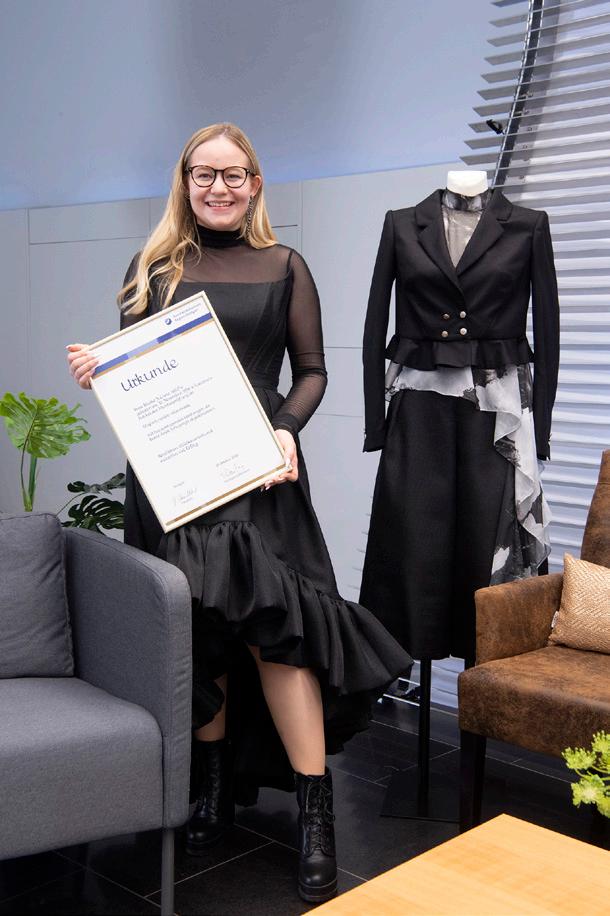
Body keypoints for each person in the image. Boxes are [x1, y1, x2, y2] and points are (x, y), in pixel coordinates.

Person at [67, 122, 410, 904]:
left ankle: (316, 814)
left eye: (233, 174)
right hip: (173, 480)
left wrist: (285, 430)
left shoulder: (286, 265)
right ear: (184, 181)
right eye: (204, 174)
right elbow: (132, 377)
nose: (218, 187)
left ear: (255, 183)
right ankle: (214, 791)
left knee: (277, 635)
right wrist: (97, 369)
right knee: (199, 633)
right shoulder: (153, 266)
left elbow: (313, 371)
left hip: (258, 473)